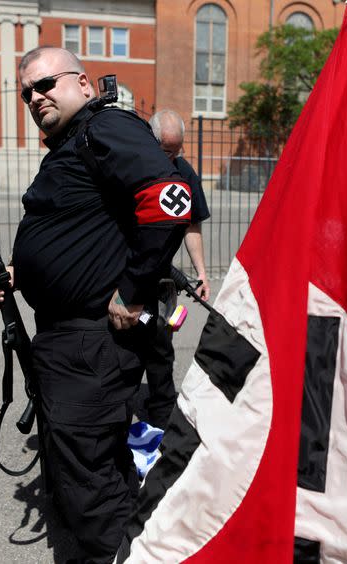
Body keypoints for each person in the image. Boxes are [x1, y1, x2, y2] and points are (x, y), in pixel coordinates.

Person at [0, 47, 191, 563]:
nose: (36, 96)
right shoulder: (72, 144)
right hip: (65, 341)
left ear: (84, 83)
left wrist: (135, 288)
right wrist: (20, 274)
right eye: (27, 91)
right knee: (93, 466)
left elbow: (170, 198)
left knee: (89, 486)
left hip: (89, 343)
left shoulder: (106, 128)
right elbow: (83, 233)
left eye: (46, 83)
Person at [141, 109, 211, 429]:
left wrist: (200, 273)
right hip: (127, 276)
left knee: (161, 345)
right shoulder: (135, 169)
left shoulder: (183, 172)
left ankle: (161, 412)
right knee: (123, 345)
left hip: (164, 281)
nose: (173, 156)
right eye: (166, 149)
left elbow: (191, 225)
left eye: (177, 149)